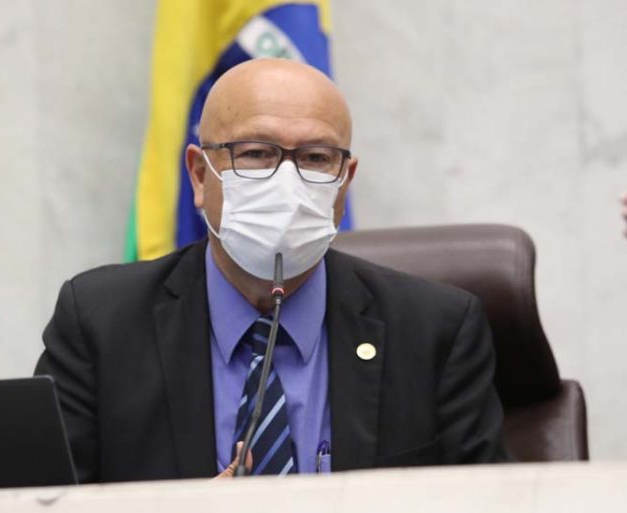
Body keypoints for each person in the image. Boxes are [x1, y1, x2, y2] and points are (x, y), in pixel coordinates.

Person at [35, 58, 508, 483]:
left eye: (316, 158)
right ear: (199, 175)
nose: (287, 183)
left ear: (344, 183)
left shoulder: (435, 331)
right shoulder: (100, 325)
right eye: (256, 153)